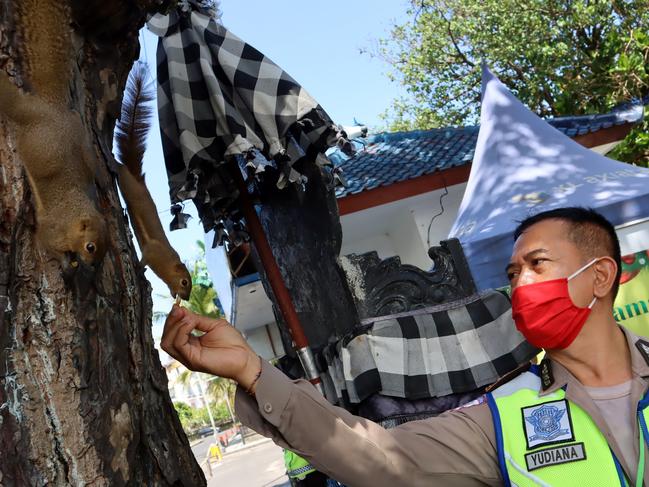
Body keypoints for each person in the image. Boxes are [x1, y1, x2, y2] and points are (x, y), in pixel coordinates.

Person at [162, 207, 649, 486]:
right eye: (512, 273)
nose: (521, 284)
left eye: (537, 265)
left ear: (601, 276)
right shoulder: (506, 415)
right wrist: (251, 370)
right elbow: (380, 457)